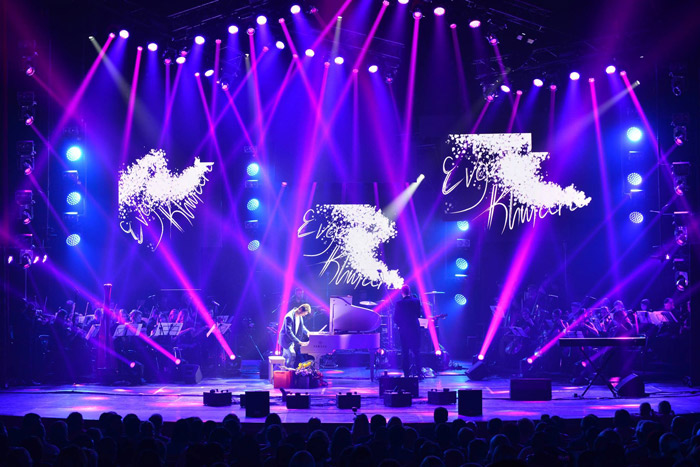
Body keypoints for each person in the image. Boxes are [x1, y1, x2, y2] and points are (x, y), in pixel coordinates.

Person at [393, 284, 422, 377]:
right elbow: (419, 314)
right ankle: (419, 373)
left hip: (404, 330)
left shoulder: (399, 303)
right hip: (414, 329)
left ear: (402, 293)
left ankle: (406, 374)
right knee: (416, 351)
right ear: (410, 292)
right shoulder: (416, 301)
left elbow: (395, 318)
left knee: (405, 352)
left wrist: (400, 325)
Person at [279, 304, 311, 368]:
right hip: (286, 340)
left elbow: (302, 326)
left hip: (291, 340)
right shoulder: (289, 317)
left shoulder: (299, 316)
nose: (304, 315)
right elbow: (288, 332)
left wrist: (308, 332)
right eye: (304, 313)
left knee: (285, 357)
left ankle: (282, 370)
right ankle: (288, 371)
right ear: (300, 309)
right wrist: (298, 342)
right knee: (292, 355)